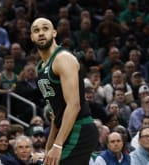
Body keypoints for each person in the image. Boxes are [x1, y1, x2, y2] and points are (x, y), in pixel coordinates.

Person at [30, 18, 99, 164]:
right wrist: (48, 150)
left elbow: (74, 105)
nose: (41, 33)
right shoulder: (40, 68)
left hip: (80, 129)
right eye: (36, 30)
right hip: (65, 130)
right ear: (31, 37)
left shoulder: (63, 59)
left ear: (54, 33)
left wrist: (57, 144)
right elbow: (56, 114)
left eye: (45, 28)